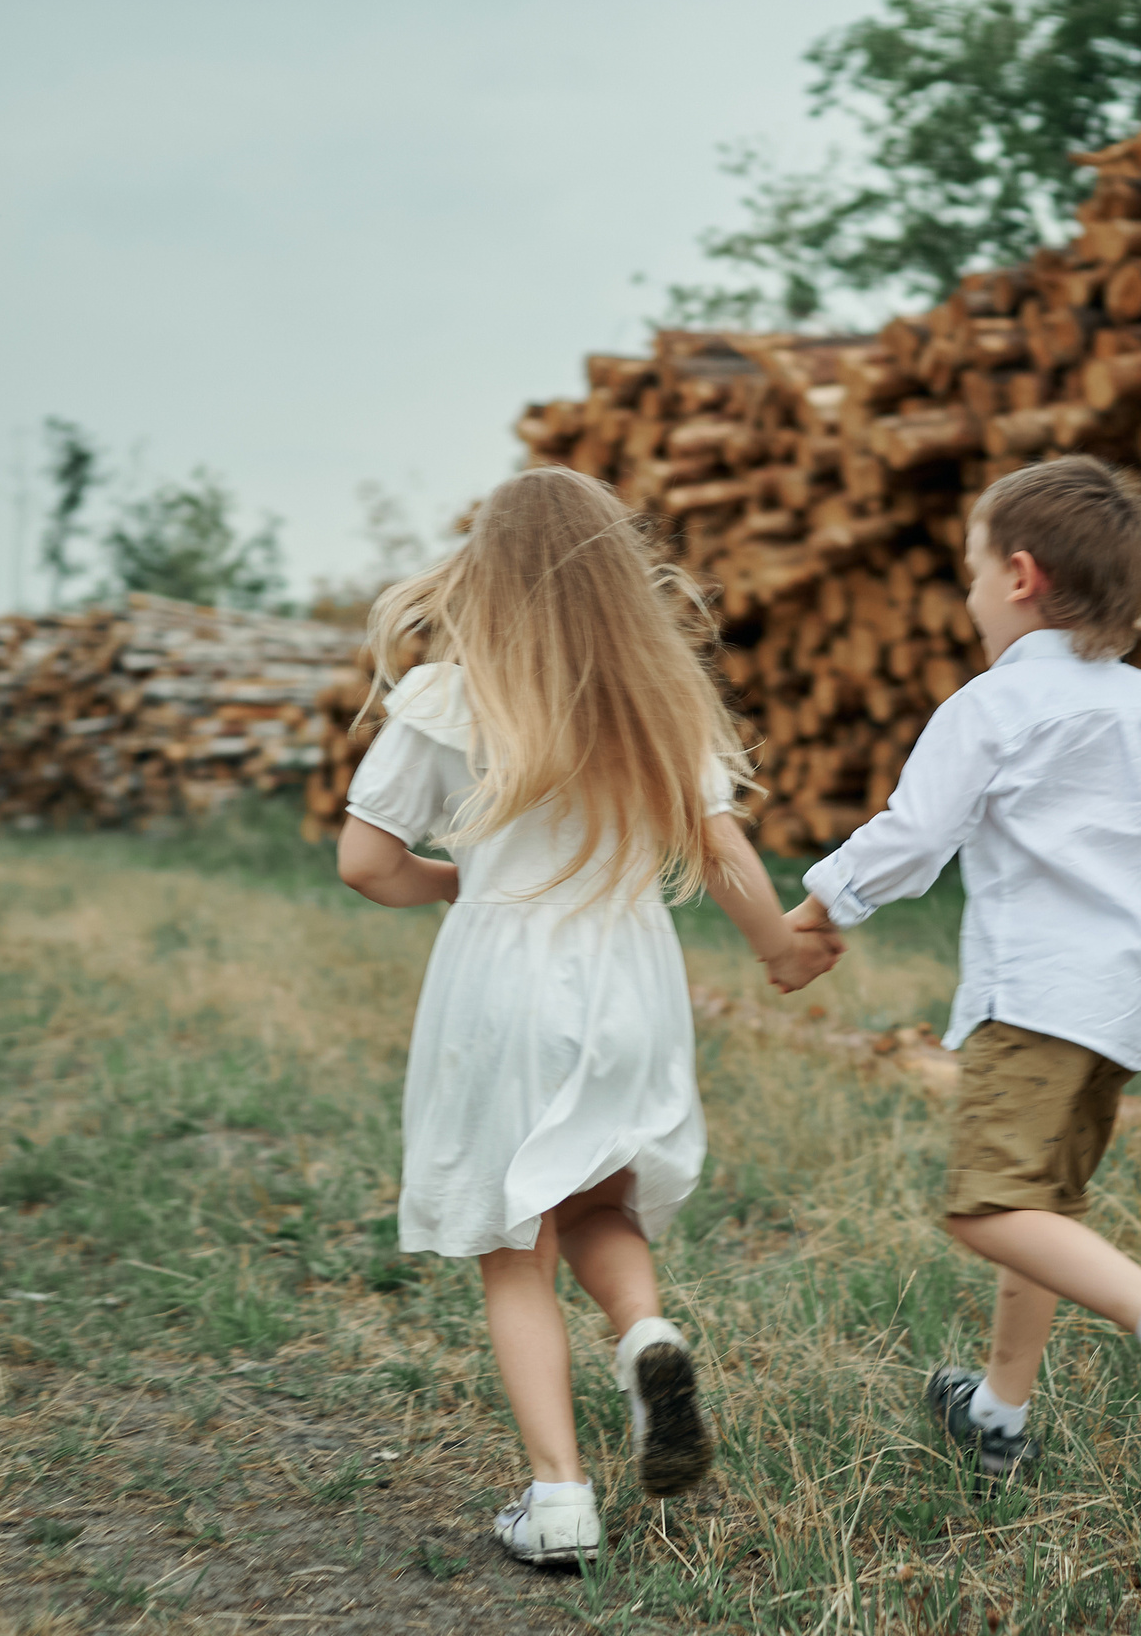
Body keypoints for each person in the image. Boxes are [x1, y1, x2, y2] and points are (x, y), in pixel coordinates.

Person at [782, 455, 1141, 1486]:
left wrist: (819, 904)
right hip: (1120, 1006)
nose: (968, 594)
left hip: (1032, 998)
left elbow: (913, 833)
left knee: (985, 1209)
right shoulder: (1140, 706)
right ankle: (999, 1412)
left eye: (971, 572)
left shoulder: (991, 706)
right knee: (1039, 1209)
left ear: (1021, 577)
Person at [338, 466, 842, 1566]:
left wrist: (457, 884)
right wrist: (778, 949)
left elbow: (365, 863)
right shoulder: (658, 697)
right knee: (602, 1199)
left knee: (517, 1244)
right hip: (632, 979)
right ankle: (647, 1336)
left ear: (487, 570)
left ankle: (559, 1497)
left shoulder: (450, 695)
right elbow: (721, 848)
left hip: (503, 982)